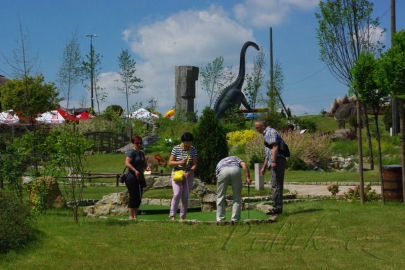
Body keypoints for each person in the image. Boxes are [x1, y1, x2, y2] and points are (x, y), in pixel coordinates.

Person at [254, 119, 286, 215]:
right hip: (275, 160)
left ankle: (277, 208)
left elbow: (275, 147)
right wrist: (263, 168)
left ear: (263, 126)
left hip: (278, 160)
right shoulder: (267, 134)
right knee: (274, 184)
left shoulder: (270, 132)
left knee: (276, 185)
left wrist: (273, 161)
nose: (257, 130)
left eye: (258, 128)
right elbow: (269, 153)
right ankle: (276, 207)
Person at [168, 132, 197, 221]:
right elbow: (170, 163)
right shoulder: (176, 148)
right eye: (186, 142)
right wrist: (180, 162)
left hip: (188, 174)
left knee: (185, 196)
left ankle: (182, 217)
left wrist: (189, 171)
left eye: (190, 142)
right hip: (177, 173)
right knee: (176, 194)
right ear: (183, 141)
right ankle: (172, 215)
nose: (188, 144)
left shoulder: (193, 150)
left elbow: (195, 164)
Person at [215, 156, 251, 222]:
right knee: (237, 196)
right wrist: (248, 177)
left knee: (220, 196)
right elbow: (244, 164)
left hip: (222, 170)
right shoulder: (236, 158)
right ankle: (235, 219)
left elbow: (218, 177)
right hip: (235, 170)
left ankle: (220, 219)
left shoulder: (220, 162)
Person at [125, 136, 149, 220]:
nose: (139, 144)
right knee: (133, 196)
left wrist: (147, 167)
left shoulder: (142, 153)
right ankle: (131, 216)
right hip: (132, 177)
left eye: (140, 143)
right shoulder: (131, 152)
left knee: (139, 196)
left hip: (140, 177)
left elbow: (144, 163)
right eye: (137, 143)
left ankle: (135, 215)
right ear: (133, 143)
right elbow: (127, 163)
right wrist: (134, 170)